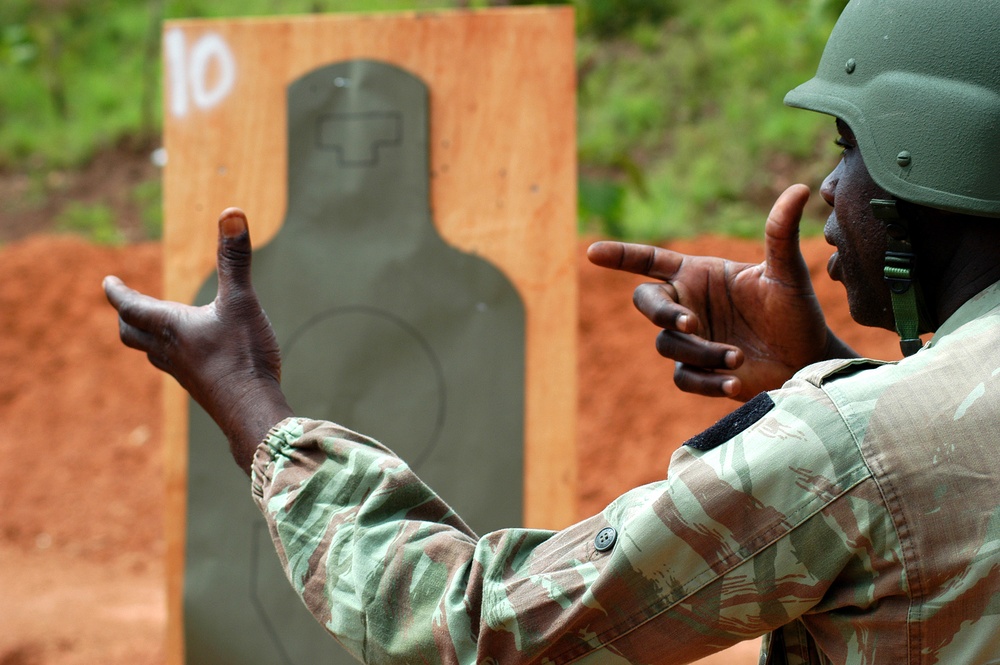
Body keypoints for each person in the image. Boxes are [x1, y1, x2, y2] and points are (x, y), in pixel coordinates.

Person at [105, 0, 1000, 662]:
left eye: (850, 143)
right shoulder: (858, 449)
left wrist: (255, 409)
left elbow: (483, 623)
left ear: (941, 158)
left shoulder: (840, 454)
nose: (832, 188)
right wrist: (828, 373)